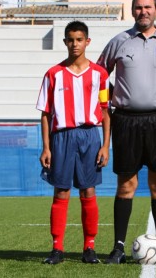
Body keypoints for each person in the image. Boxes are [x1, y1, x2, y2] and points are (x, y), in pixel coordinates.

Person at [97, 0, 156, 264]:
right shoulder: (119, 42)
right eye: (138, 8)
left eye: (148, 7)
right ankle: (117, 248)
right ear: (132, 10)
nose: (143, 12)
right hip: (125, 121)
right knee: (126, 185)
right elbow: (99, 76)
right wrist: (113, 97)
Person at [36, 21, 110, 265]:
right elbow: (45, 113)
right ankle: (57, 248)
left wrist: (105, 145)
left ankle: (89, 247)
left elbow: (106, 110)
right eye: (71, 39)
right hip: (62, 137)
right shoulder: (53, 74)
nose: (75, 44)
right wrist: (46, 147)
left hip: (90, 136)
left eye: (79, 39)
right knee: (62, 191)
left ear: (87, 42)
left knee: (88, 190)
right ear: (65, 42)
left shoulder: (100, 74)